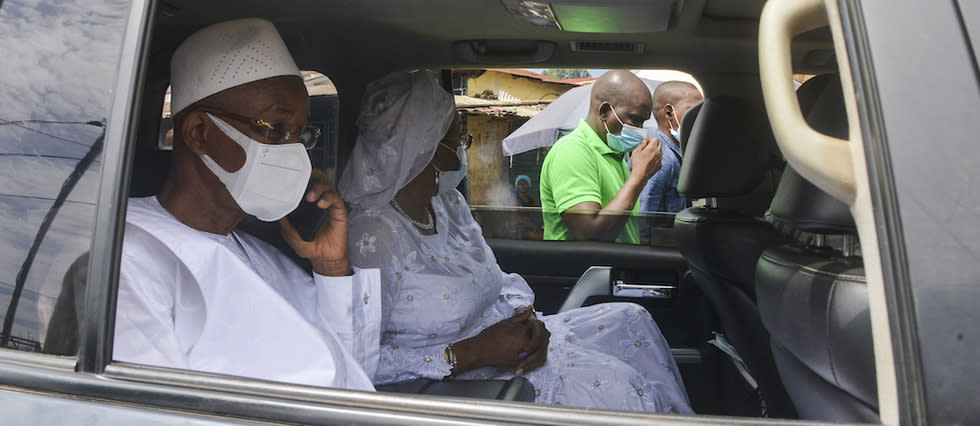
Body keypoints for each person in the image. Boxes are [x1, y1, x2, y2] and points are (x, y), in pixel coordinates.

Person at [340, 69, 692, 413]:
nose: (464, 149)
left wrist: (527, 321)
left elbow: (498, 279)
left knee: (632, 318)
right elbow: (356, 360)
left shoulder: (449, 204)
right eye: (458, 139)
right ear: (425, 147)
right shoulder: (374, 235)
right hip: (463, 371)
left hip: (508, 340)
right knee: (618, 386)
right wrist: (470, 353)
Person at [113, 18, 381, 391]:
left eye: (300, 134)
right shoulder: (125, 257)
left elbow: (352, 376)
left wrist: (331, 266)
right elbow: (141, 410)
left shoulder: (260, 253)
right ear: (199, 134)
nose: (293, 150)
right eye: (274, 128)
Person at [539, 70, 663, 244]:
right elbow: (589, 233)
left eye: (643, 122)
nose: (640, 130)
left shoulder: (616, 155)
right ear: (604, 111)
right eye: (635, 120)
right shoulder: (573, 151)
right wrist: (639, 176)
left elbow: (623, 231)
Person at [636, 81, 703, 219]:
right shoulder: (662, 159)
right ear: (668, 112)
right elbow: (645, 215)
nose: (699, 117)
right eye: (692, 110)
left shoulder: (676, 153)